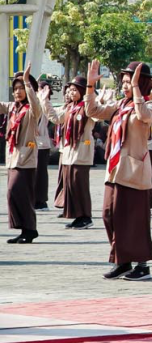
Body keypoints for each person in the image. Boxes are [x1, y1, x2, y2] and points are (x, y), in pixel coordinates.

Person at [84, 60, 152, 281]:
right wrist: (90, 86)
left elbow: (144, 115)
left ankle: (142, 265)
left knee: (135, 219)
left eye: (130, 81)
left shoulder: (149, 105)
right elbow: (93, 110)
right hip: (115, 170)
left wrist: (136, 90)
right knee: (109, 214)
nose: (125, 86)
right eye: (124, 82)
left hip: (134, 172)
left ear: (141, 83)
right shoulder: (120, 105)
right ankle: (123, 261)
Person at [45, 76, 94, 229]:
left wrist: (95, 98)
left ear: (82, 90)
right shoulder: (68, 108)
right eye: (70, 90)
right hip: (68, 153)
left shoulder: (87, 107)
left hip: (81, 153)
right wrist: (45, 100)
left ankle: (86, 216)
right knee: (70, 185)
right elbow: (54, 117)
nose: (71, 93)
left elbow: (97, 115)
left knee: (80, 185)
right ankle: (77, 216)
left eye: (75, 90)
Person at [3, 69, 43, 243]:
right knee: (13, 194)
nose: (17, 92)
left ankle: (30, 228)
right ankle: (25, 230)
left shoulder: (33, 110)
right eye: (15, 88)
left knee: (18, 191)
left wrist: (27, 82)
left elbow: (35, 102)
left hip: (26, 160)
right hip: (13, 158)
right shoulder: (13, 108)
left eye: (21, 88)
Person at [33, 79, 51, 211]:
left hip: (42, 144)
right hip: (34, 144)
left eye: (39, 89)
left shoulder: (45, 104)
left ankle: (41, 201)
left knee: (40, 174)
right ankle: (35, 199)